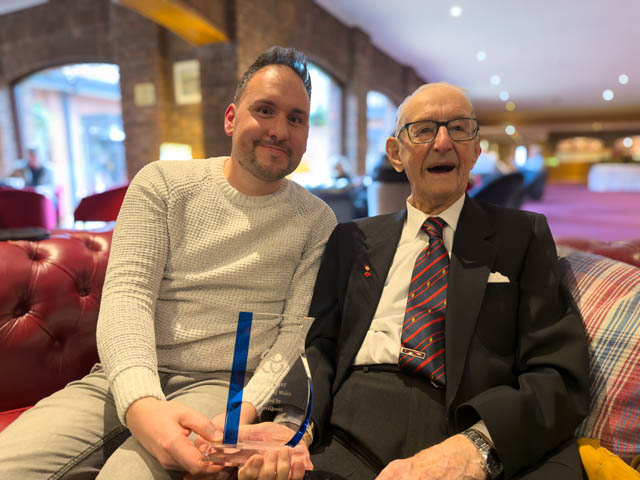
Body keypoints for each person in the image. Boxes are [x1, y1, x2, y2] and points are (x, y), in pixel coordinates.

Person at [0, 46, 336, 480]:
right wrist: (142, 403)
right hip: (126, 371)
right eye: (265, 110)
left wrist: (243, 414)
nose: (279, 129)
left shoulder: (317, 220)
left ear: (307, 134)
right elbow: (127, 298)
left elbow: (293, 336)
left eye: (296, 118)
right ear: (231, 118)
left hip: (224, 389)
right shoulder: (162, 183)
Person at [303, 82, 590, 479]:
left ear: (475, 149)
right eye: (423, 130)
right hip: (347, 423)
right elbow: (319, 345)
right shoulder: (352, 239)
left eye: (458, 128)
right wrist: (298, 426)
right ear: (396, 153)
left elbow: (559, 370)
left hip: (464, 421)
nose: (442, 142)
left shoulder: (522, 235)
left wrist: (477, 446)